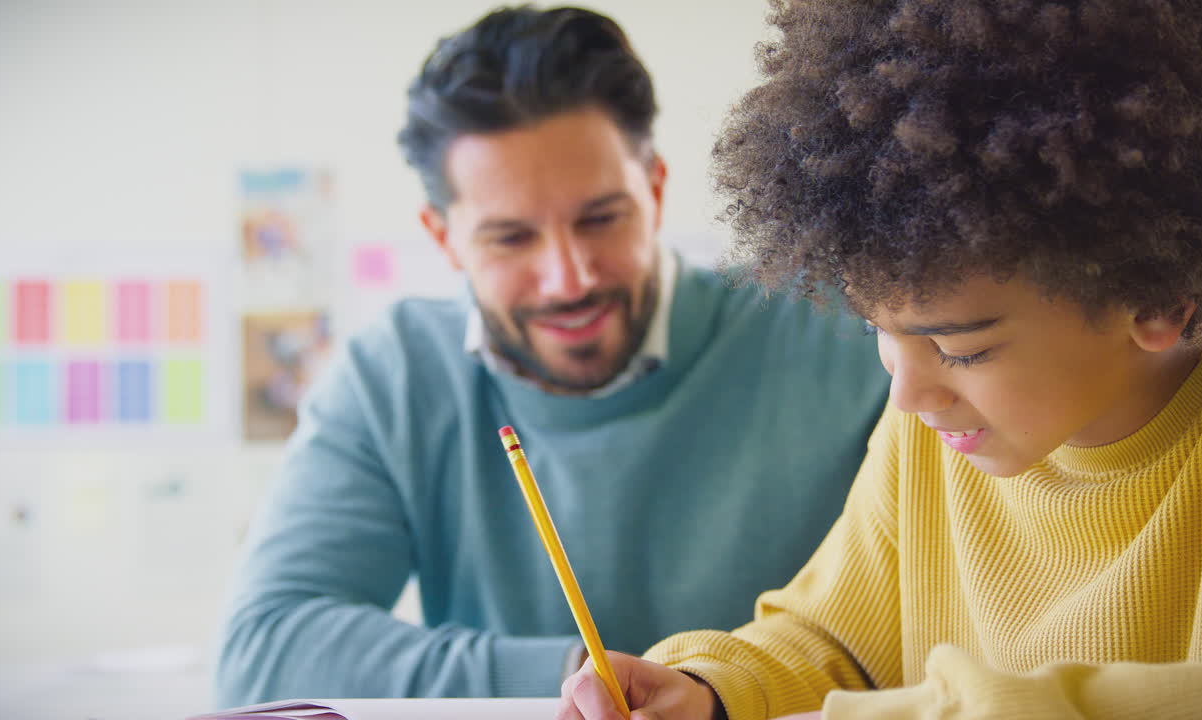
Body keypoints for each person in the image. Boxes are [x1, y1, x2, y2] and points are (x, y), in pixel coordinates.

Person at [557, 0, 1202, 718]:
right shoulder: (934, 436)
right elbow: (830, 639)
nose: (907, 393)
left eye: (962, 349)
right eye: (880, 330)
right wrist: (710, 690)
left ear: (1156, 297)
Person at [212, 4, 891, 707]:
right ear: (442, 237)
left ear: (655, 191)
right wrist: (590, 681)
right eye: (511, 238)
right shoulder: (397, 375)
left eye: (601, 218)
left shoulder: (851, 335)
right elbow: (263, 655)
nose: (570, 278)